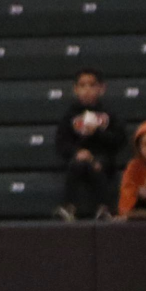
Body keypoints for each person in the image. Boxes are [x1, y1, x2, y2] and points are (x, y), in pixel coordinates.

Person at [56, 67, 128, 221]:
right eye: (82, 86)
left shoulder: (109, 113)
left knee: (96, 165)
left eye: (92, 85)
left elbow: (120, 139)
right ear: (75, 89)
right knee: (78, 164)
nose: (87, 90)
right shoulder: (70, 114)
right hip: (79, 159)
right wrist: (77, 152)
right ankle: (69, 206)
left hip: (103, 159)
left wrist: (97, 132)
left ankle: (104, 207)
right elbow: (62, 142)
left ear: (101, 89)